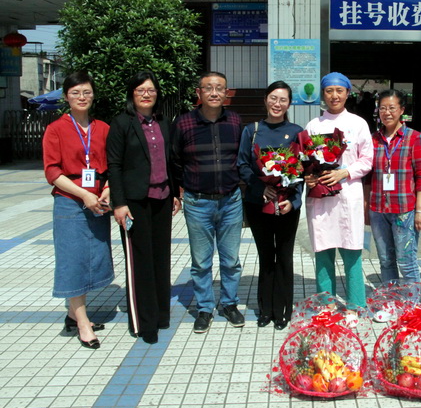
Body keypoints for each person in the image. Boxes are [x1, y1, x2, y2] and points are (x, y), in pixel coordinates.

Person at [107, 71, 182, 344]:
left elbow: (170, 159)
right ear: (132, 94)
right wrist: (119, 203)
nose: (146, 94)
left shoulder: (162, 122)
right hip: (134, 203)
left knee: (160, 258)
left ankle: (161, 314)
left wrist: (175, 192)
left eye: (151, 90)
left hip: (162, 197)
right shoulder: (122, 123)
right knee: (140, 261)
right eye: (140, 90)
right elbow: (114, 165)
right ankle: (144, 322)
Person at [42, 71, 114, 349]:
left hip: (98, 199)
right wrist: (84, 194)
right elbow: (52, 171)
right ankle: (83, 322)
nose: (81, 97)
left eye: (86, 92)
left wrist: (107, 189)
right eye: (75, 93)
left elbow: (112, 165)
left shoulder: (103, 128)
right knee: (72, 258)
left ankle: (74, 315)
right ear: (66, 97)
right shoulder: (55, 129)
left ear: (93, 95)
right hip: (70, 200)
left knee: (93, 256)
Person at [171, 71, 245, 333]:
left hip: (230, 201)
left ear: (226, 93)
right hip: (197, 202)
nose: (214, 93)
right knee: (201, 261)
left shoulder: (235, 120)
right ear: (198, 92)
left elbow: (242, 156)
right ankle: (204, 307)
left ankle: (229, 304)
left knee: (231, 259)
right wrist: (181, 189)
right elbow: (174, 160)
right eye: (209, 88)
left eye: (219, 88)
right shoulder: (184, 123)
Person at [304, 72, 373, 313]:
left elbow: (367, 159)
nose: (334, 96)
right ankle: (327, 306)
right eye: (329, 91)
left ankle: (355, 305)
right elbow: (306, 160)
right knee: (323, 252)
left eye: (339, 91)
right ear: (323, 94)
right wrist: (309, 176)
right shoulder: (313, 125)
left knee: (351, 250)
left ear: (347, 94)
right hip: (320, 199)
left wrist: (345, 172)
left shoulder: (358, 123)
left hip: (348, 195)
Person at [237, 81, 303, 330]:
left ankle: (283, 310)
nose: (277, 104)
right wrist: (260, 187)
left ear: (289, 104)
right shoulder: (252, 130)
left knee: (284, 257)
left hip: (286, 206)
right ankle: (265, 309)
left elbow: (301, 170)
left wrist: (293, 201)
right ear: (265, 100)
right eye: (273, 98)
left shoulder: (296, 132)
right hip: (258, 204)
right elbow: (242, 165)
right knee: (266, 256)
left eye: (283, 99)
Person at [367, 89, 421, 284]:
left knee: (407, 262)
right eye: (382, 108)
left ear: (402, 110)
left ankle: (413, 301)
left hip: (404, 210)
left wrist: (420, 210)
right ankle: (391, 299)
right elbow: (367, 177)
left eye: (392, 108)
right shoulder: (373, 139)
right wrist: (366, 207)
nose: (387, 112)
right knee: (386, 261)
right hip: (378, 210)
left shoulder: (414, 138)